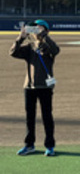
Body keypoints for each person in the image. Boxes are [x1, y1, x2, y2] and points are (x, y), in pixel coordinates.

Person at [10, 19, 60, 156]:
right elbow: (13, 52)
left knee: (47, 117)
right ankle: (29, 145)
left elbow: (56, 50)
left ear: (46, 30)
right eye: (34, 28)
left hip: (45, 87)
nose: (36, 31)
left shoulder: (48, 47)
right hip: (29, 87)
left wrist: (43, 36)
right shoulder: (30, 48)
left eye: (39, 28)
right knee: (29, 118)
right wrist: (21, 37)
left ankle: (50, 146)